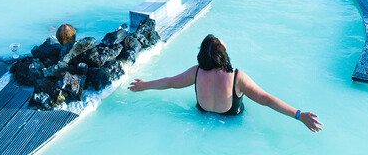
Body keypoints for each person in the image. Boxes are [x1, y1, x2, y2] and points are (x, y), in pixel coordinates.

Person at [128, 35, 323, 132]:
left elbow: (170, 83)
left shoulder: (195, 72)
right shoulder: (238, 78)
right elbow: (266, 100)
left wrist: (144, 85)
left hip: (199, 119)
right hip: (232, 124)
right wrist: (299, 115)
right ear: (224, 55)